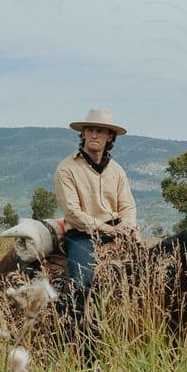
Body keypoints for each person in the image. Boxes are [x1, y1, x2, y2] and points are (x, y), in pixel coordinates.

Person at [53, 107, 138, 357]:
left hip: (118, 232)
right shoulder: (67, 168)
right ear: (83, 133)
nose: (95, 134)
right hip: (82, 235)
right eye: (90, 129)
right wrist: (105, 228)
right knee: (83, 282)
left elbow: (128, 206)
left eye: (101, 130)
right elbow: (72, 213)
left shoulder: (117, 171)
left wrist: (127, 226)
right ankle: (82, 344)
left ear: (110, 137)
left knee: (147, 274)